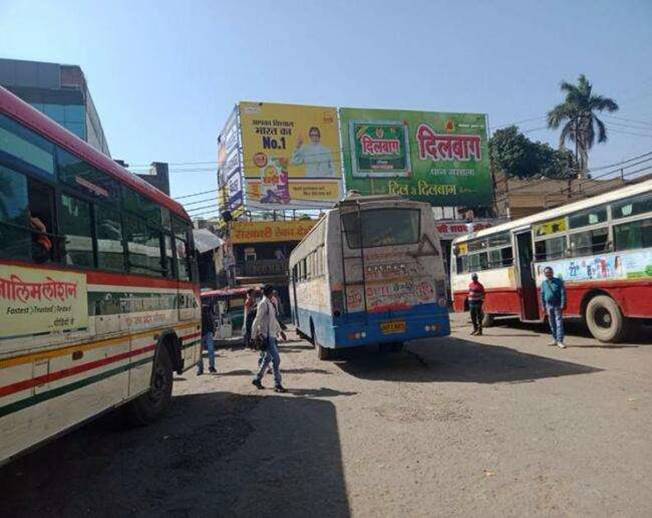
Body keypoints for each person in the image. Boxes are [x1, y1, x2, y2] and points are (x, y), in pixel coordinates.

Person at [251, 284, 287, 392]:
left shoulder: (269, 304)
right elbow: (256, 320)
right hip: (267, 337)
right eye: (272, 292)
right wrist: (253, 337)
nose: (273, 294)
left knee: (267, 359)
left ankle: (257, 379)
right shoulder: (263, 304)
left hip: (272, 336)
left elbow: (274, 320)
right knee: (276, 360)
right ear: (269, 293)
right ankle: (277, 384)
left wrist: (280, 332)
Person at [541, 266, 566, 349]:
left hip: (557, 305)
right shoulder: (544, 283)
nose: (548, 274)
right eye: (546, 273)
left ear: (552, 272)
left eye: (549, 272)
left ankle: (560, 341)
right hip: (548, 305)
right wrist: (543, 306)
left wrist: (563, 304)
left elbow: (563, 293)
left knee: (559, 324)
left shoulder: (558, 281)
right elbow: (542, 295)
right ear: (545, 274)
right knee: (552, 324)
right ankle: (555, 339)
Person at [197, 304, 217, 374]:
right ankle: (209, 367)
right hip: (205, 333)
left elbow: (212, 321)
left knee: (199, 352)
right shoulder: (207, 310)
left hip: (204, 333)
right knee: (210, 350)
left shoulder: (204, 309)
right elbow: (213, 321)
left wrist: (213, 330)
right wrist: (213, 331)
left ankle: (201, 369)